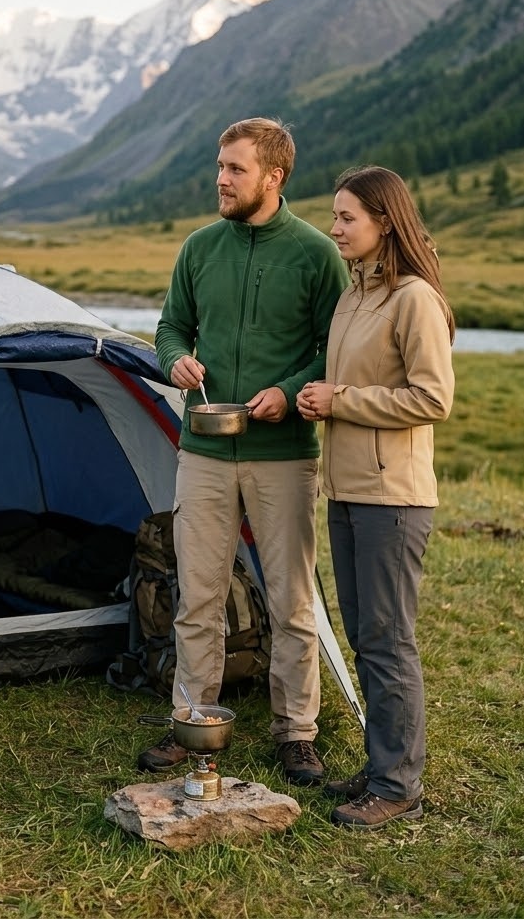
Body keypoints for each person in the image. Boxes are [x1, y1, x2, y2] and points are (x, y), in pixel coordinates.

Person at [138, 117, 350, 786]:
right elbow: (172, 325)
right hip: (203, 450)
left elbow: (333, 349)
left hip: (284, 452)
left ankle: (296, 734)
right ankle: (193, 720)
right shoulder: (200, 248)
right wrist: (174, 360)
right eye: (219, 166)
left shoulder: (318, 255)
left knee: (290, 599)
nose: (221, 179)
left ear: (273, 176)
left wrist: (288, 393)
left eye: (234, 169)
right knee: (198, 595)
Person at [295, 165, 455, 830]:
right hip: (349, 490)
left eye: (346, 218)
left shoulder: (414, 298)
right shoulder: (354, 296)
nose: (334, 229)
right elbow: (349, 383)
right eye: (333, 217)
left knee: (389, 641)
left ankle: (397, 785)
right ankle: (382, 764)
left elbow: (433, 398)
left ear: (384, 221)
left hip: (394, 497)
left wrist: (344, 401)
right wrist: (317, 398)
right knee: (367, 636)